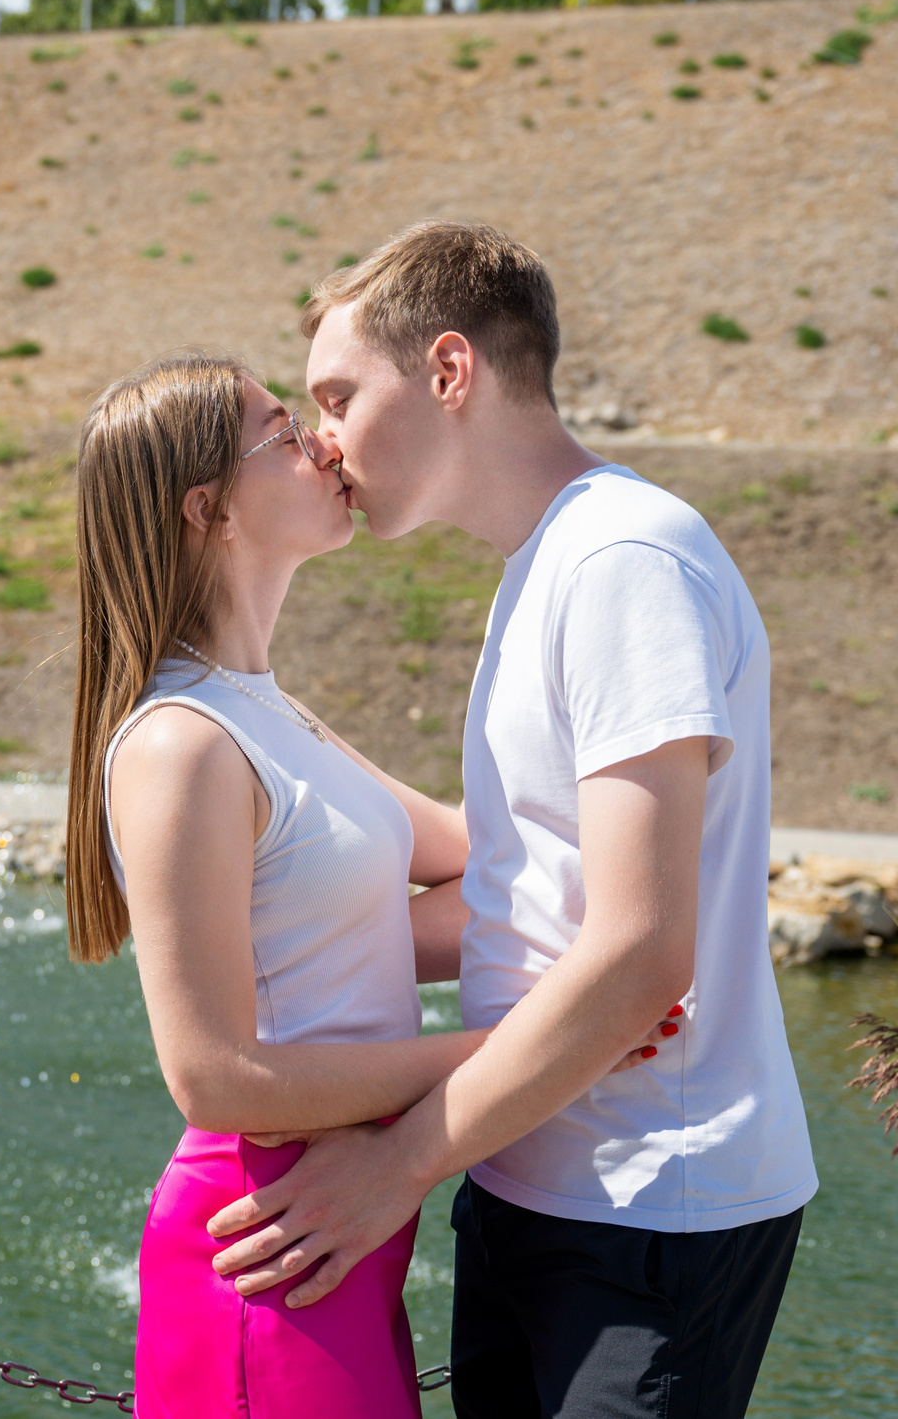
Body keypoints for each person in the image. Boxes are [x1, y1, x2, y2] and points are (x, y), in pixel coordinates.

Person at [201, 223, 816, 1419]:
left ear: (447, 371)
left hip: (654, 1205)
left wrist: (396, 1162)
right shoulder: (548, 566)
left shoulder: (623, 561)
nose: (323, 436)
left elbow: (642, 950)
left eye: (338, 394)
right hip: (536, 1181)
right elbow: (526, 892)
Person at [65, 350, 679, 1419]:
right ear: (207, 507)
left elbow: (473, 851)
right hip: (267, 1247)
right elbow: (214, 1077)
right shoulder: (180, 743)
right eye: (282, 430)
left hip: (333, 1245)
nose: (323, 442)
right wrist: (536, 1049)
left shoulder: (265, 710)